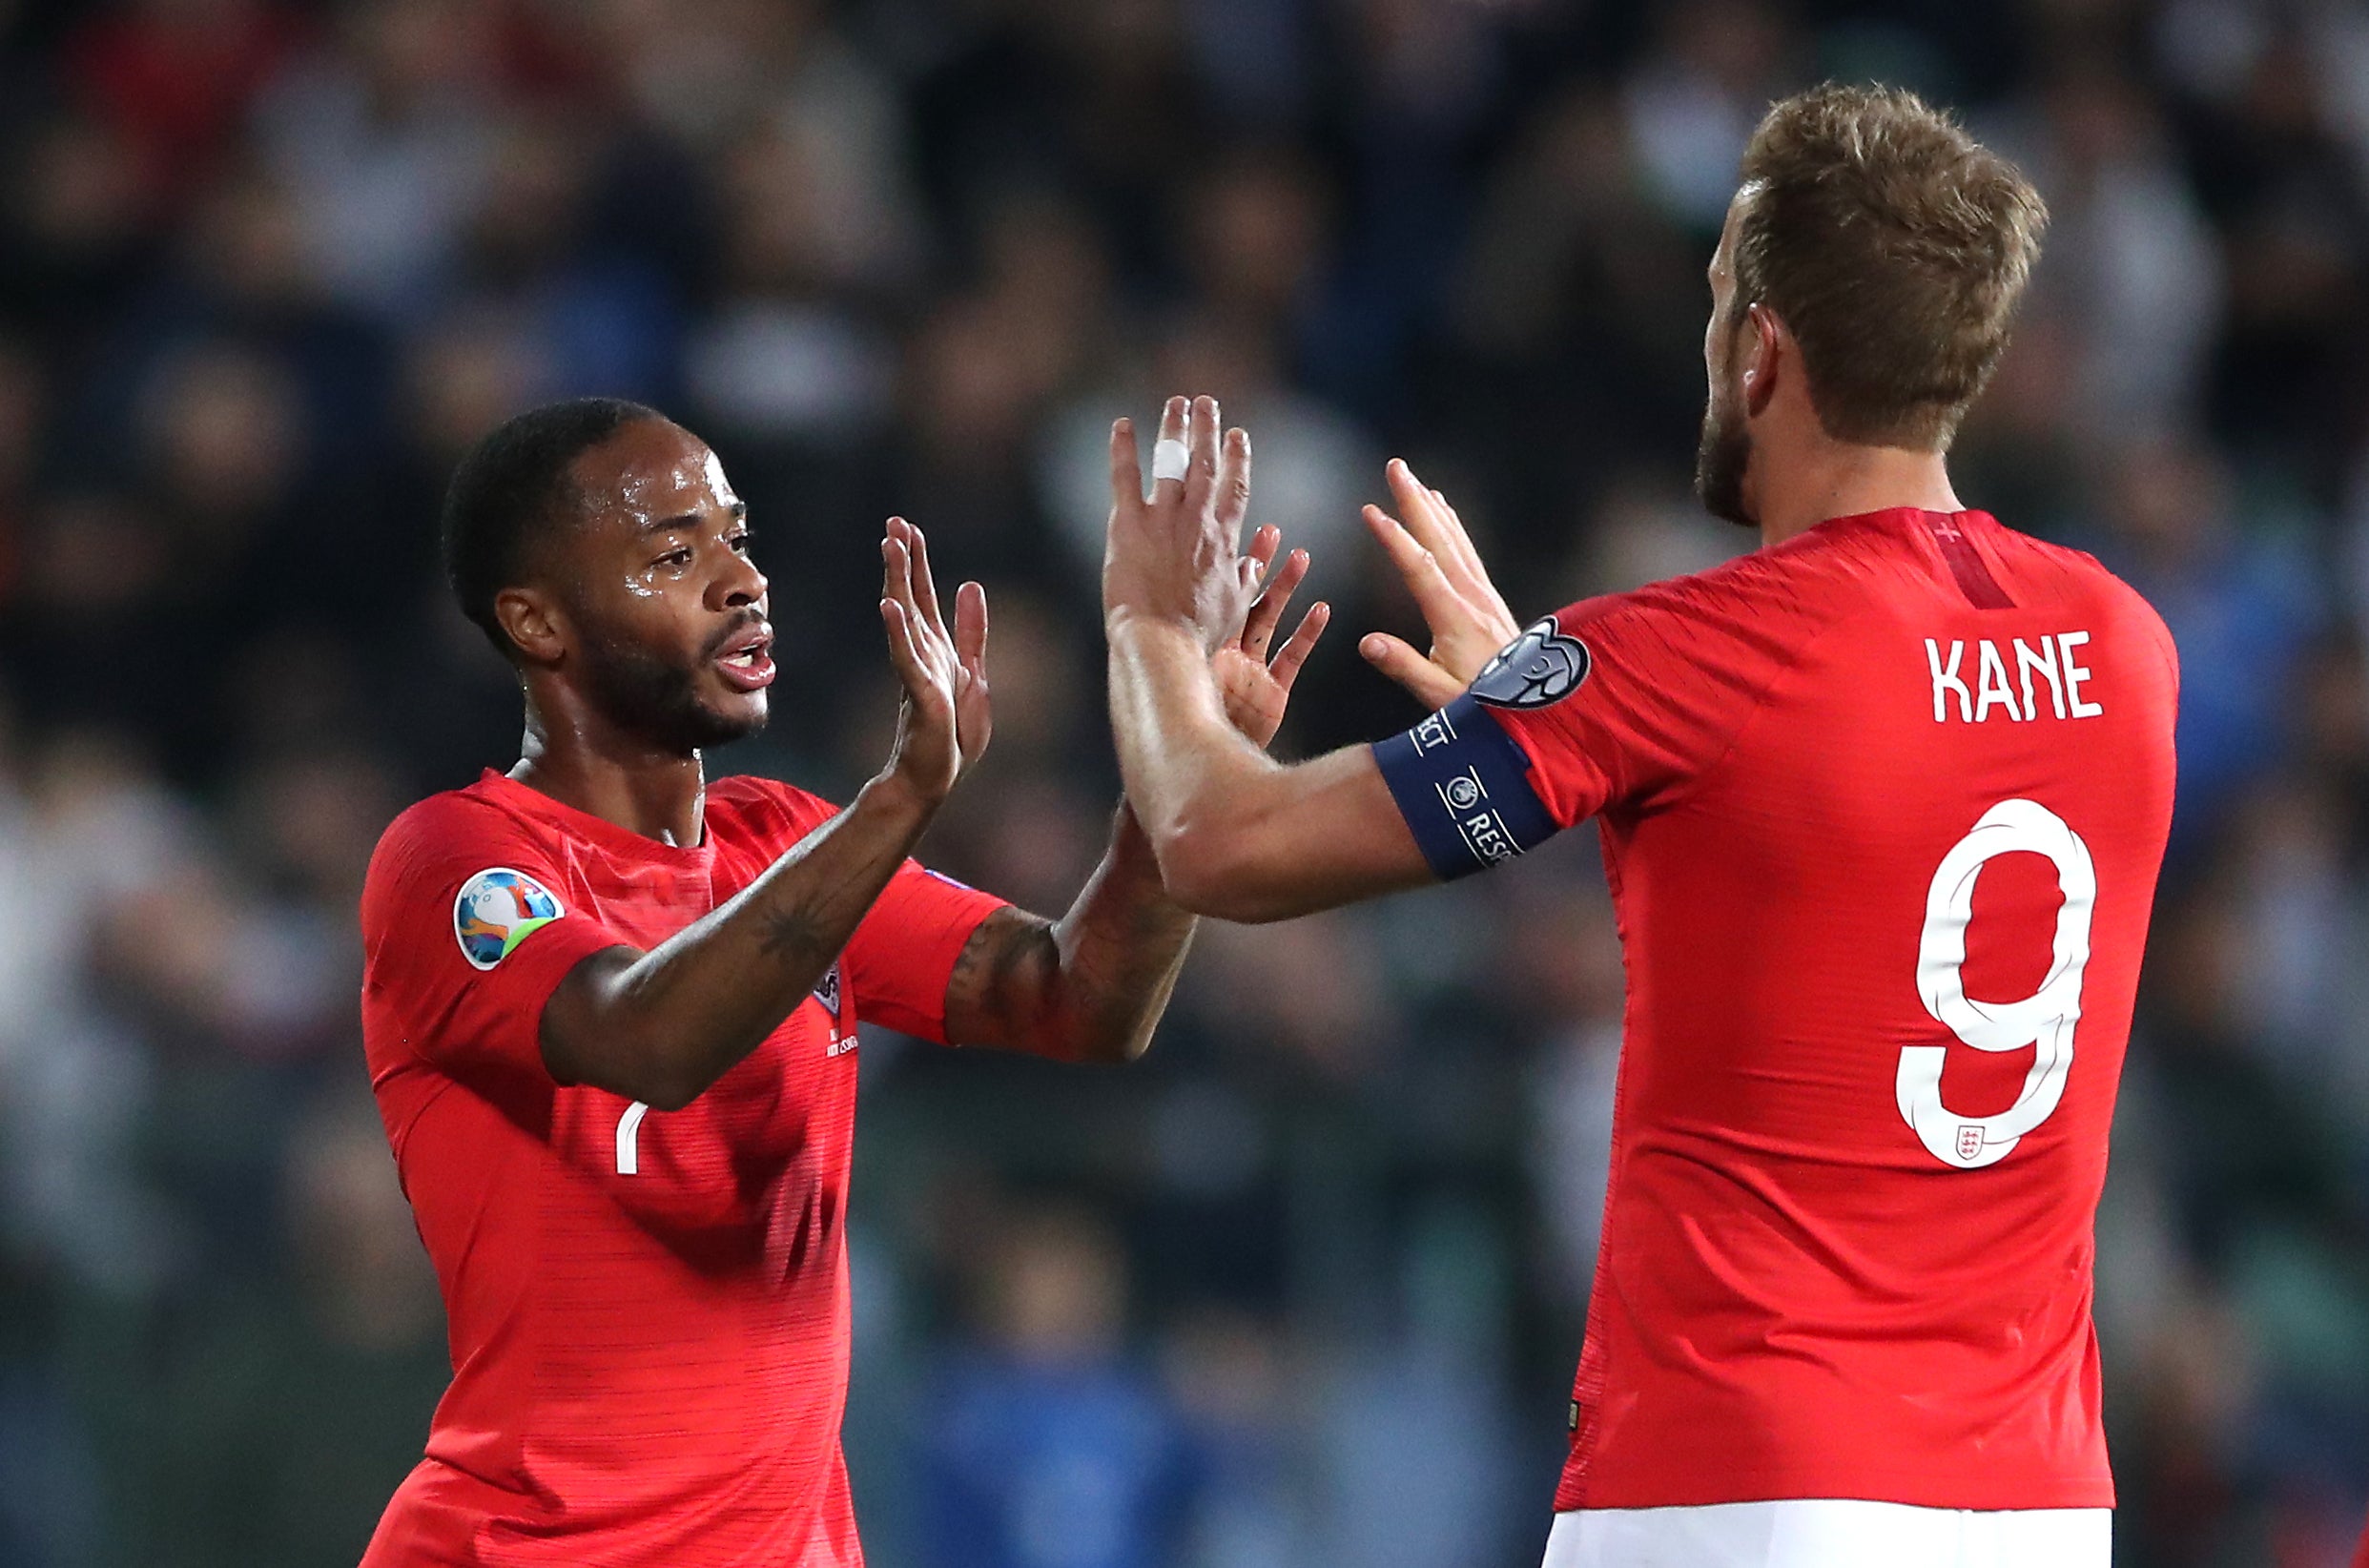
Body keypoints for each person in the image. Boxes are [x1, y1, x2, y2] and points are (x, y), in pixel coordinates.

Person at [1101, 87, 2176, 1568]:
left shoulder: (1692, 655)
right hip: (2037, 1506)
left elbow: (1219, 845)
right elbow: (1832, 863)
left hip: (1741, 1484)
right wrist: (1542, 708)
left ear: (1762, 351)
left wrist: (1150, 627)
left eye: (1720, 300)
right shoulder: (2126, 648)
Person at [357, 396, 1326, 1566]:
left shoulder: (784, 841)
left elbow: (1075, 1006)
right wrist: (901, 797)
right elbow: (648, 1042)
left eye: (736, 536)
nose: (739, 579)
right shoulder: (455, 862)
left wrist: (1185, 773)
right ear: (537, 622)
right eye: (674, 553)